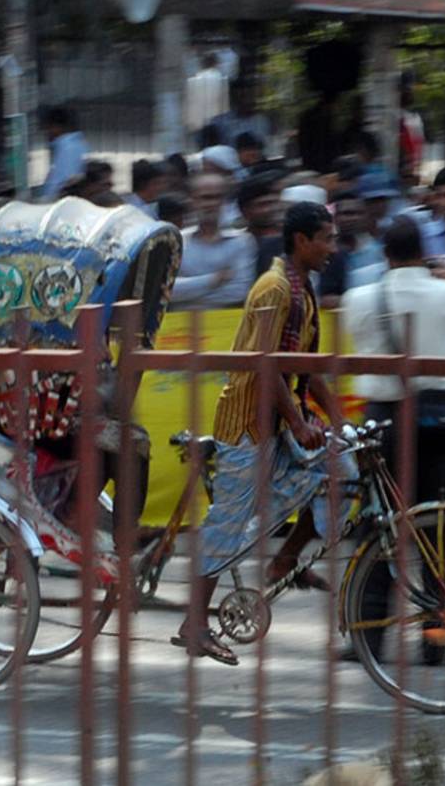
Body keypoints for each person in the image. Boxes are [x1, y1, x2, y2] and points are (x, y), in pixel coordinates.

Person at [173, 202, 351, 666]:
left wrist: (340, 422)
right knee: (226, 527)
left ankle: (286, 559)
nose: (333, 248)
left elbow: (309, 371)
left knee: (342, 469)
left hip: (278, 422)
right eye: (326, 239)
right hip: (249, 424)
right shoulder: (274, 289)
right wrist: (299, 422)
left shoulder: (303, 289)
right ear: (301, 241)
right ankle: (193, 624)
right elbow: (264, 365)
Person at [340, 218, 445, 663]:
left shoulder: (360, 298)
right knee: (437, 531)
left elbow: (356, 338)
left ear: (385, 254)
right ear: (423, 250)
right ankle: (437, 642)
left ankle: (365, 639)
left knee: (377, 530)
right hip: (437, 419)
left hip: (382, 421)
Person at [170, 173, 255, 310]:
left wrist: (187, 291)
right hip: (180, 327)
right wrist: (214, 279)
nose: (212, 204)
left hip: (225, 324)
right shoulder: (176, 241)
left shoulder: (242, 242)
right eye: (205, 198)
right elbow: (168, 292)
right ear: (192, 201)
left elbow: (238, 292)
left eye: (218, 197)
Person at [239, 172, 285, 276]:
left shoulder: (294, 239)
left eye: (274, 202)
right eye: (263, 204)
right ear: (245, 211)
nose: (272, 209)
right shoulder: (239, 245)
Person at [39, 105, 88, 202]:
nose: (47, 133)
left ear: (57, 126)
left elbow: (60, 185)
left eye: (48, 128)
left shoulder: (68, 148)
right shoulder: (76, 144)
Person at [212, 79, 272, 147]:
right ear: (233, 97)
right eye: (242, 96)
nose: (247, 100)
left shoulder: (262, 122)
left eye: (250, 96)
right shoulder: (221, 123)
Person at [185, 51, 229, 141]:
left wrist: (191, 122)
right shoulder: (222, 78)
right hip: (218, 120)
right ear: (216, 63)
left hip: (200, 120)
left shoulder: (194, 79)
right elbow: (224, 103)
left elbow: (191, 102)